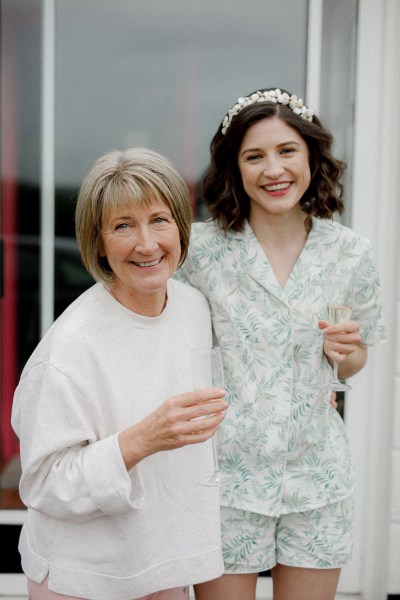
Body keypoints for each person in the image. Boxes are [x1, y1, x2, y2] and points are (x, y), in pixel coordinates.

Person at [176, 88, 386, 600]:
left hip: (318, 479)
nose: (274, 169)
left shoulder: (351, 253)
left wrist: (345, 351)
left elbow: (355, 360)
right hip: (225, 479)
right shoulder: (200, 251)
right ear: (235, 167)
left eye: (287, 151)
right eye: (255, 155)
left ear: (311, 156)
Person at [11, 147, 228, 600]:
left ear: (182, 227)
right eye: (123, 226)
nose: (147, 244)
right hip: (86, 575)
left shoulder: (192, 307)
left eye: (159, 219)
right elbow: (43, 483)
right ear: (99, 241)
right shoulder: (70, 348)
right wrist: (142, 438)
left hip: (164, 562)